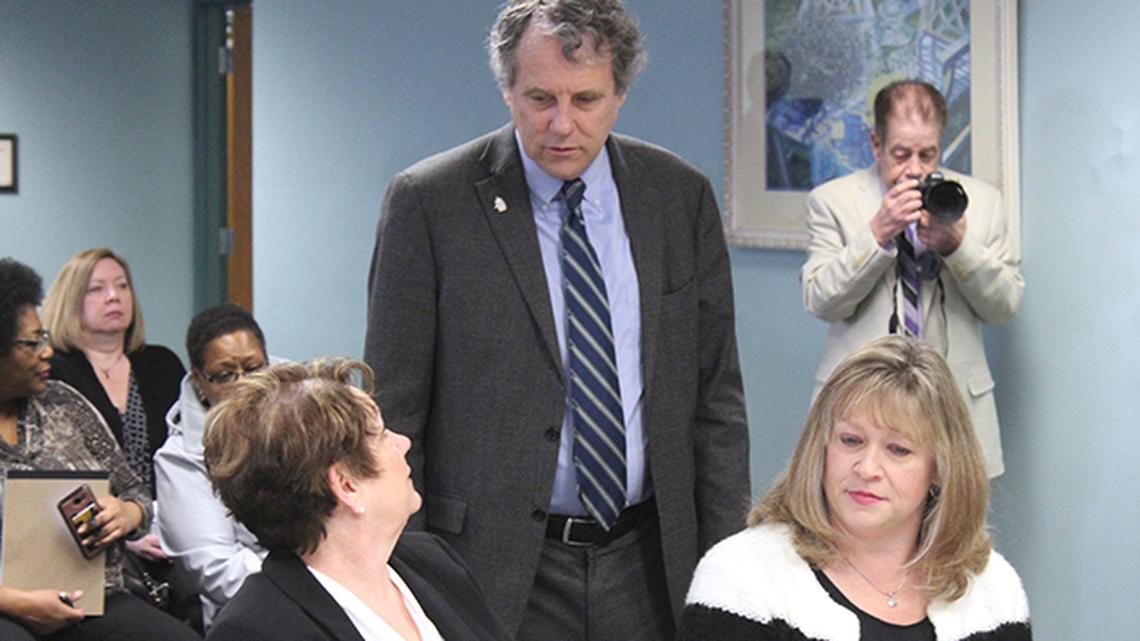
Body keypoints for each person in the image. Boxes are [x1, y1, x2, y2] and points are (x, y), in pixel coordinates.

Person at [363, 1, 750, 639]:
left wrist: (732, 560)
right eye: (540, 97)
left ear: (620, 94)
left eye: (586, 99)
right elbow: (393, 414)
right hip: (491, 566)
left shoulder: (677, 197)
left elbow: (717, 399)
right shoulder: (431, 205)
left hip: (649, 557)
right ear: (508, 89)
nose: (562, 124)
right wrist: (402, 575)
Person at [680, 336, 1031, 640]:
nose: (867, 468)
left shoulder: (992, 589)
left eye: (898, 450)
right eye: (851, 440)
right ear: (822, 448)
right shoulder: (742, 576)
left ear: (939, 469)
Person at [800, 80, 1023, 478]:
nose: (916, 169)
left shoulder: (983, 203)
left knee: (952, 537)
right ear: (875, 144)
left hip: (953, 410)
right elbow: (822, 301)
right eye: (901, 154)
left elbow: (1004, 306)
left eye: (928, 154)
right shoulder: (832, 202)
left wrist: (958, 247)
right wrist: (877, 235)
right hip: (861, 412)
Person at [202, 359, 511, 641]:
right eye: (382, 435)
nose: (404, 443)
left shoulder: (434, 562)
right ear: (347, 485)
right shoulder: (256, 630)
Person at [0, 257, 199, 641]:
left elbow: (135, 492)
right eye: (31, 343)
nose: (46, 352)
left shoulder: (63, 402)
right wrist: (15, 603)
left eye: (45, 337)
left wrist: (124, 514)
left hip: (92, 598)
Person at [154, 304, 271, 629]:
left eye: (254, 369)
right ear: (199, 380)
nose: (244, 384)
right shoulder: (181, 458)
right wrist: (315, 582)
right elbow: (218, 571)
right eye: (224, 376)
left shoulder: (304, 409)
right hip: (254, 609)